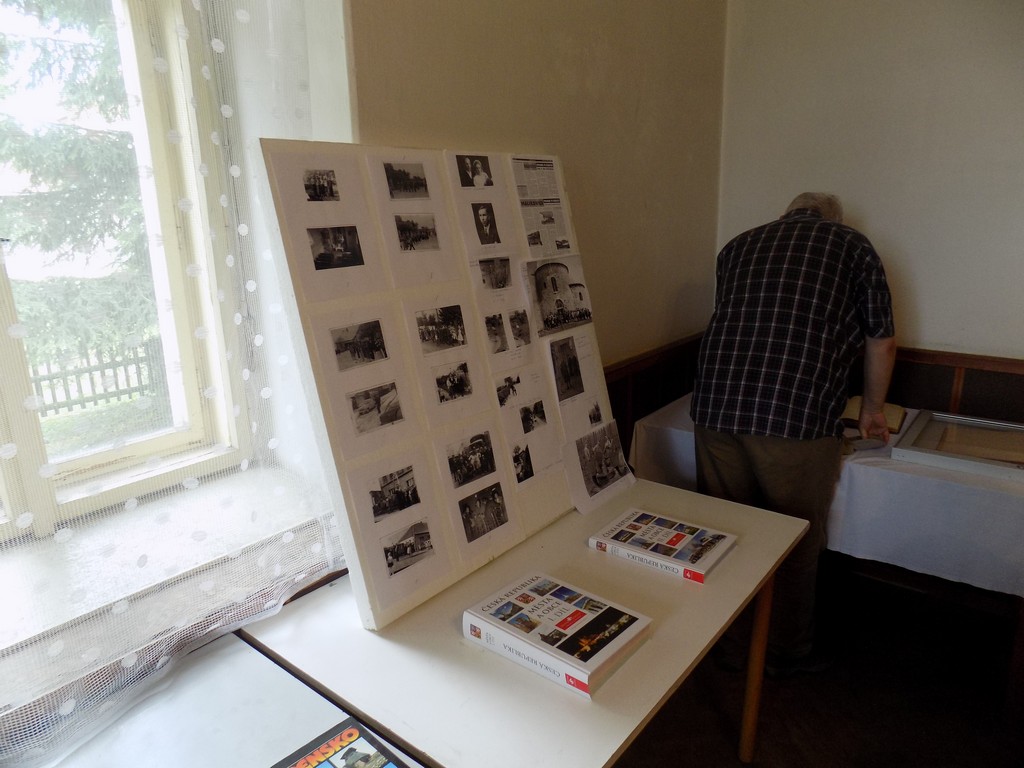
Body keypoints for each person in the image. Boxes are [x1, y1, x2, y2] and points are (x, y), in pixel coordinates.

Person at [690, 192, 896, 677]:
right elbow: (881, 340)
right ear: (833, 218)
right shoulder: (852, 244)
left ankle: (727, 645)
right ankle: (785, 651)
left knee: (725, 533)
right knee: (793, 538)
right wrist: (872, 410)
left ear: (785, 214)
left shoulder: (737, 245)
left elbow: (741, 322)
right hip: (794, 412)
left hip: (715, 405)